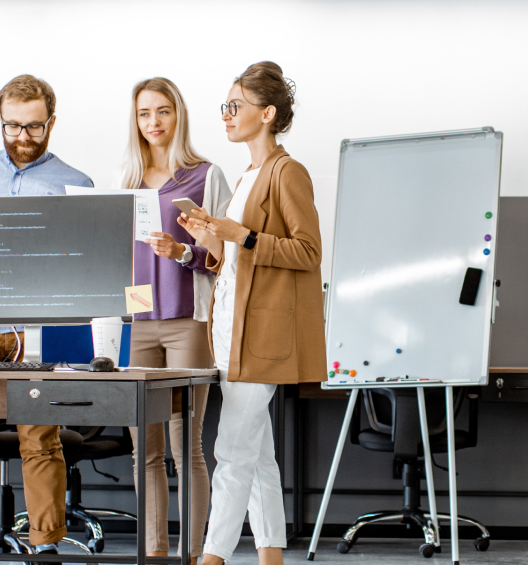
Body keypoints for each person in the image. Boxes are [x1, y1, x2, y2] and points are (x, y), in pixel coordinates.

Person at [0, 74, 93, 560]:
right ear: (0, 120)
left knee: (41, 443)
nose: (22, 137)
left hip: (36, 333)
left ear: (52, 122)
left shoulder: (76, 184)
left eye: (33, 127)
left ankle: (45, 546)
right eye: (12, 126)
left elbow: (83, 264)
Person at [180, 61, 326, 565]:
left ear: (267, 114)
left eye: (235, 106)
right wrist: (210, 238)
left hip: (261, 336)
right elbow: (237, 260)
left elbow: (308, 252)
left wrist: (239, 235)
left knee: (232, 451)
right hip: (230, 330)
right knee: (258, 454)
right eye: (225, 106)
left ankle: (212, 557)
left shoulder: (287, 172)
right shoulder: (246, 176)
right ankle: (271, 555)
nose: (226, 114)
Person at [120, 77, 232, 558]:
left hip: (188, 321)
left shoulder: (206, 176)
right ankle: (154, 552)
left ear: (178, 115)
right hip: (137, 323)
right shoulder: (125, 181)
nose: (154, 122)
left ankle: (191, 553)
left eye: (162, 111)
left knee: (186, 447)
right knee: (144, 451)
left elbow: (226, 256)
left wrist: (182, 252)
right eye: (144, 113)